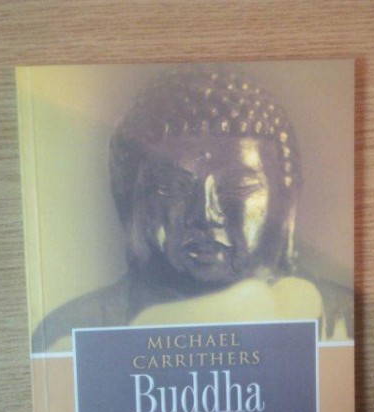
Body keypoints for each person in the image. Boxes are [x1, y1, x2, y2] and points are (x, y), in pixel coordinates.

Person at [32, 65, 353, 352]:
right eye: (172, 188)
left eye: (237, 187)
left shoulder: (341, 324)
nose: (205, 215)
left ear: (287, 200)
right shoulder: (73, 336)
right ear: (128, 200)